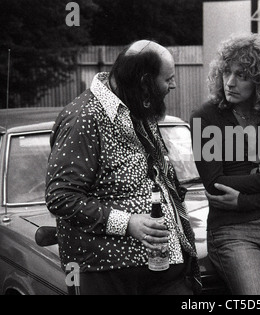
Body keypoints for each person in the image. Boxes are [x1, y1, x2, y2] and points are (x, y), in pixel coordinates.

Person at [45, 40, 201, 295]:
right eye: (168, 79)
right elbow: (61, 197)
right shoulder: (84, 117)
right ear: (144, 80)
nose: (173, 85)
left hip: (164, 271)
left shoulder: (138, 106)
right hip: (108, 276)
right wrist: (127, 223)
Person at [189, 33, 260, 295]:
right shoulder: (204, 118)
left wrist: (244, 201)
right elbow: (216, 185)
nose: (229, 82)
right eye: (226, 72)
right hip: (231, 230)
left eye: (241, 75)